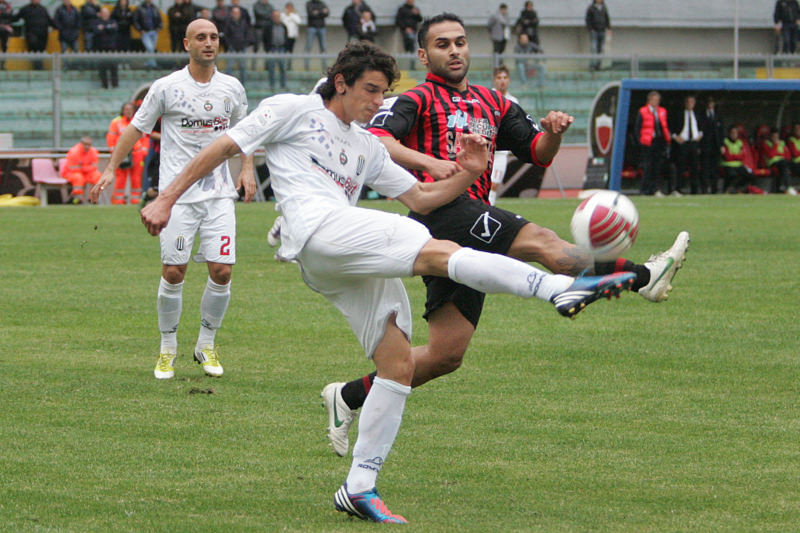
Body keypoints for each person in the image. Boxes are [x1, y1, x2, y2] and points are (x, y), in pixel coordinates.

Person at [140, 40, 636, 523]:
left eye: (384, 93)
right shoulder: (292, 108)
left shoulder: (365, 146)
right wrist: (166, 199)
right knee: (438, 251)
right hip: (316, 230)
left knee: (397, 364)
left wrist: (468, 174)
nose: (380, 103)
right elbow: (224, 146)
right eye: (373, 91)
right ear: (341, 82)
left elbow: (421, 198)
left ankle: (357, 488)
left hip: (337, 256)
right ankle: (556, 288)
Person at [319, 14, 690, 459]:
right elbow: (377, 139)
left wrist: (553, 133)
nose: (454, 50)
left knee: (444, 355)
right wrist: (435, 164)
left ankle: (347, 396)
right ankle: (645, 275)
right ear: (424, 54)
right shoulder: (414, 99)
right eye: (442, 44)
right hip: (441, 211)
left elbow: (537, 152)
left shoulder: (494, 102)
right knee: (543, 244)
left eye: (459, 42)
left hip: (474, 217)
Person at [90, 18, 255, 379]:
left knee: (223, 270)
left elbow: (246, 133)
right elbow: (136, 128)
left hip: (218, 194)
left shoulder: (232, 88)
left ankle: (206, 344)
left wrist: (246, 168)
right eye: (201, 37)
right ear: (186, 44)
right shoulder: (167, 88)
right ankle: (167, 348)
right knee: (174, 271)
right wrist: (109, 168)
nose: (208, 43)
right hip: (176, 197)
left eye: (213, 36)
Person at [107, 102, 149, 204]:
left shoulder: (139, 121)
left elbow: (145, 138)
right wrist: (114, 152)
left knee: (136, 177)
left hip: (137, 153)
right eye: (126, 110)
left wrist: (144, 151)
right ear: (123, 110)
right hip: (122, 153)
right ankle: (118, 200)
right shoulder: (116, 122)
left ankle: (135, 199)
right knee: (121, 177)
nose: (128, 112)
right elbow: (111, 137)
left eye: (130, 110)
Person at [489, 65, 517, 206]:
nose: (502, 81)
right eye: (499, 78)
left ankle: (488, 210)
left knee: (494, 185)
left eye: (505, 78)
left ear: (509, 80)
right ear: (494, 80)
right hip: (486, 149)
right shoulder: (488, 97)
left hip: (501, 152)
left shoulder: (513, 101)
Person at [635, 90, 670, 196]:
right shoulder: (642, 111)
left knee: (657, 166)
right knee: (647, 166)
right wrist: (640, 141)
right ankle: (644, 189)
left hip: (659, 141)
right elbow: (637, 128)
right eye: (654, 100)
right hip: (647, 142)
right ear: (649, 100)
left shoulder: (662, 111)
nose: (656, 102)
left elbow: (664, 126)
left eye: (658, 100)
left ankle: (654, 189)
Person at [670, 95, 702, 195]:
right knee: (681, 166)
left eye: (692, 102)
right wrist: (676, 137)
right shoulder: (679, 114)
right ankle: (678, 188)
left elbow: (702, 127)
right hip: (683, 143)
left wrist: (700, 135)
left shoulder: (697, 114)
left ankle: (695, 190)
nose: (690, 104)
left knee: (695, 167)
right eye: (688, 102)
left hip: (694, 142)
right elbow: (671, 127)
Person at [13, 0, 54, 70]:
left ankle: (39, 67)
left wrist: (59, 27)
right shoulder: (25, 9)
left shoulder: (43, 9)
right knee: (33, 50)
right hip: (31, 35)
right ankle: (37, 68)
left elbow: (49, 20)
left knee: (41, 52)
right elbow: (15, 18)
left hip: (43, 35)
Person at [62, 136, 101, 203]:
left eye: (89, 145)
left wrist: (82, 168)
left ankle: (93, 198)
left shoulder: (93, 152)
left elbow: (94, 167)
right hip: (70, 173)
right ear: (81, 144)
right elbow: (72, 169)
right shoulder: (74, 152)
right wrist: (87, 168)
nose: (87, 147)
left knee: (97, 175)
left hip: (86, 173)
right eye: (85, 144)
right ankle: (77, 198)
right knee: (78, 177)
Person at [699, 96, 723, 194]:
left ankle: (714, 189)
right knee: (705, 168)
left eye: (712, 103)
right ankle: (704, 189)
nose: (710, 105)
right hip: (705, 145)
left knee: (715, 168)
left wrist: (721, 145)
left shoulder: (718, 115)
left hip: (715, 146)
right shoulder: (701, 115)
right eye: (708, 103)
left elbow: (721, 131)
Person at [224, 6, 252, 84]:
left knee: (243, 67)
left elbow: (248, 34)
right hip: (232, 48)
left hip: (242, 48)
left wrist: (244, 44)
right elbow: (226, 35)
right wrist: (230, 45)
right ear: (232, 14)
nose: (236, 14)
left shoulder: (244, 23)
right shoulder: (228, 23)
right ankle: (227, 85)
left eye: (237, 13)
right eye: (234, 13)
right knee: (229, 67)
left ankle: (243, 85)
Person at [720, 125, 752, 193]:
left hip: (738, 165)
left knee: (750, 175)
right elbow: (727, 157)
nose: (734, 135)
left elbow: (743, 156)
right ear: (729, 133)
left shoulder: (740, 142)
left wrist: (733, 156)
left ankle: (738, 188)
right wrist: (737, 156)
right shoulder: (725, 142)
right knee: (732, 175)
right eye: (732, 133)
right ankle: (726, 190)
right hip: (728, 165)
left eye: (736, 133)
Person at [93, 7, 119, 88]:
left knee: (113, 67)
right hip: (101, 48)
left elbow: (114, 29)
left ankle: (115, 85)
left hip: (112, 48)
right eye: (103, 13)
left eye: (106, 13)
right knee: (102, 67)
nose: (105, 15)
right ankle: (105, 85)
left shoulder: (113, 21)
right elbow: (96, 31)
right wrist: (108, 27)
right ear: (100, 14)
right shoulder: (96, 22)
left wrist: (104, 27)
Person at [762, 128, 793, 193]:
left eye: (777, 137)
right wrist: (775, 145)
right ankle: (788, 187)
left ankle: (786, 187)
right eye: (773, 137)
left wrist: (778, 153)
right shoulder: (766, 143)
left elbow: (788, 155)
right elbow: (771, 155)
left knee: (787, 165)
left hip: (783, 162)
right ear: (770, 137)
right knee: (784, 166)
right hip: (773, 163)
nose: (775, 139)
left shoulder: (782, 143)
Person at [134, 0, 162, 68]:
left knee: (151, 48)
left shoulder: (154, 7)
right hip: (145, 32)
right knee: (150, 48)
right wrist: (140, 29)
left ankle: (148, 64)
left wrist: (159, 27)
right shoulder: (139, 8)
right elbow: (135, 20)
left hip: (154, 31)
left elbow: (159, 19)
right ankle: (153, 64)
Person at [264, 8, 287, 90]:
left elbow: (286, 37)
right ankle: (272, 85)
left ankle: (283, 85)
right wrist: (267, 49)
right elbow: (265, 38)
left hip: (281, 49)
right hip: (272, 49)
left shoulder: (283, 26)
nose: (276, 18)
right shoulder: (268, 26)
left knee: (283, 69)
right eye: (275, 16)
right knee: (271, 69)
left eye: (278, 16)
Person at [585, 0, 610, 71]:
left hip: (602, 30)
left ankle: (598, 65)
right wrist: (590, 29)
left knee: (601, 49)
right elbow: (587, 19)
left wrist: (608, 27)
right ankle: (592, 65)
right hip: (594, 31)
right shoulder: (591, 8)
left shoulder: (604, 7)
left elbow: (607, 18)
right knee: (594, 48)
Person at [304, 0, 328, 69]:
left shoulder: (322, 3)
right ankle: (306, 66)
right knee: (308, 47)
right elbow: (311, 13)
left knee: (323, 47)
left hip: (322, 28)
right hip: (312, 28)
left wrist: (317, 12)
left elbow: (327, 13)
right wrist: (322, 12)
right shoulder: (309, 3)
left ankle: (324, 66)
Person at [785, 123, 800, 194]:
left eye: (799, 129)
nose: (798, 131)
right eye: (796, 129)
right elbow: (794, 153)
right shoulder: (791, 140)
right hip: (795, 164)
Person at [0, 0, 13, 66]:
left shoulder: (8, 5)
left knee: (4, 45)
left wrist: (2, 13)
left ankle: (3, 63)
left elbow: (9, 14)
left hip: (5, 29)